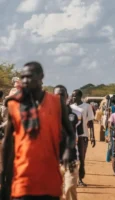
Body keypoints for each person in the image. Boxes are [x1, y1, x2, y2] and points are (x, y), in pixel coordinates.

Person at [1, 61, 75, 200]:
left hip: (49, 179)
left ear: (41, 77)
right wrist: (4, 175)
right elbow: (7, 142)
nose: (25, 81)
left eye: (29, 76)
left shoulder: (56, 103)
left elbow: (70, 134)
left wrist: (68, 151)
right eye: (22, 77)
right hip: (22, 177)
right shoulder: (14, 105)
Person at [54, 85, 79, 200]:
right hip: (52, 161)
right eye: (56, 95)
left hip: (70, 160)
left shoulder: (72, 116)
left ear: (66, 97)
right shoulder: (46, 116)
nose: (59, 97)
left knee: (70, 187)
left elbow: (74, 135)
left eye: (62, 95)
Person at [71, 90, 96, 187]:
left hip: (83, 136)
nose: (73, 98)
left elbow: (90, 122)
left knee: (82, 158)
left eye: (75, 96)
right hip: (73, 136)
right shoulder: (70, 107)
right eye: (72, 96)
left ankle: (80, 180)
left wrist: (92, 136)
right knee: (72, 158)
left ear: (80, 96)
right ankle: (73, 179)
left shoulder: (87, 107)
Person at [105, 95, 115, 162]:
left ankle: (109, 158)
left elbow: (107, 119)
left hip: (111, 127)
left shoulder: (110, 108)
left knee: (110, 142)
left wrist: (106, 128)